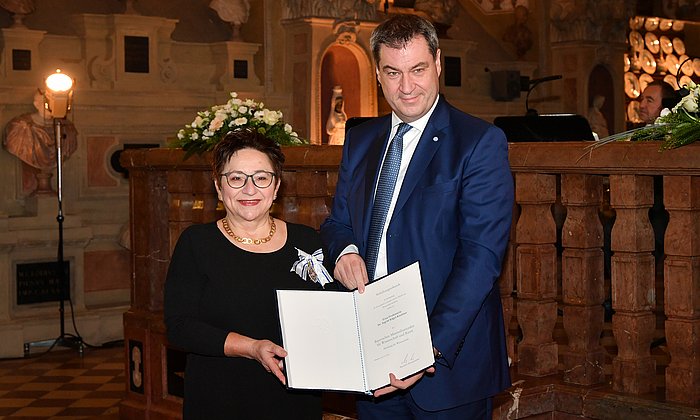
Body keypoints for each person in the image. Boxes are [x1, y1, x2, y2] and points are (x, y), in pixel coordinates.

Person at [320, 14, 513, 419]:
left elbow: (480, 259)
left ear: (438, 63)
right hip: (372, 360)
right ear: (376, 73)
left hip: (447, 366)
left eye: (418, 70)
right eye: (392, 72)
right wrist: (345, 253)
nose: (406, 87)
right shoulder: (359, 139)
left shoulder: (479, 142)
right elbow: (337, 224)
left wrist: (426, 346)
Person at [164, 129, 331, 419]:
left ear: (276, 186)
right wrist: (252, 347)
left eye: (261, 178)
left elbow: (335, 314)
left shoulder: (307, 242)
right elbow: (180, 327)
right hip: (221, 398)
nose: (249, 189)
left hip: (294, 400)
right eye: (236, 178)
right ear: (219, 187)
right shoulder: (197, 243)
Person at [3, 89, 78, 171]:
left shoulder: (68, 128)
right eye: (48, 102)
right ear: (36, 104)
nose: (51, 105)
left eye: (53, 102)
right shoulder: (20, 128)